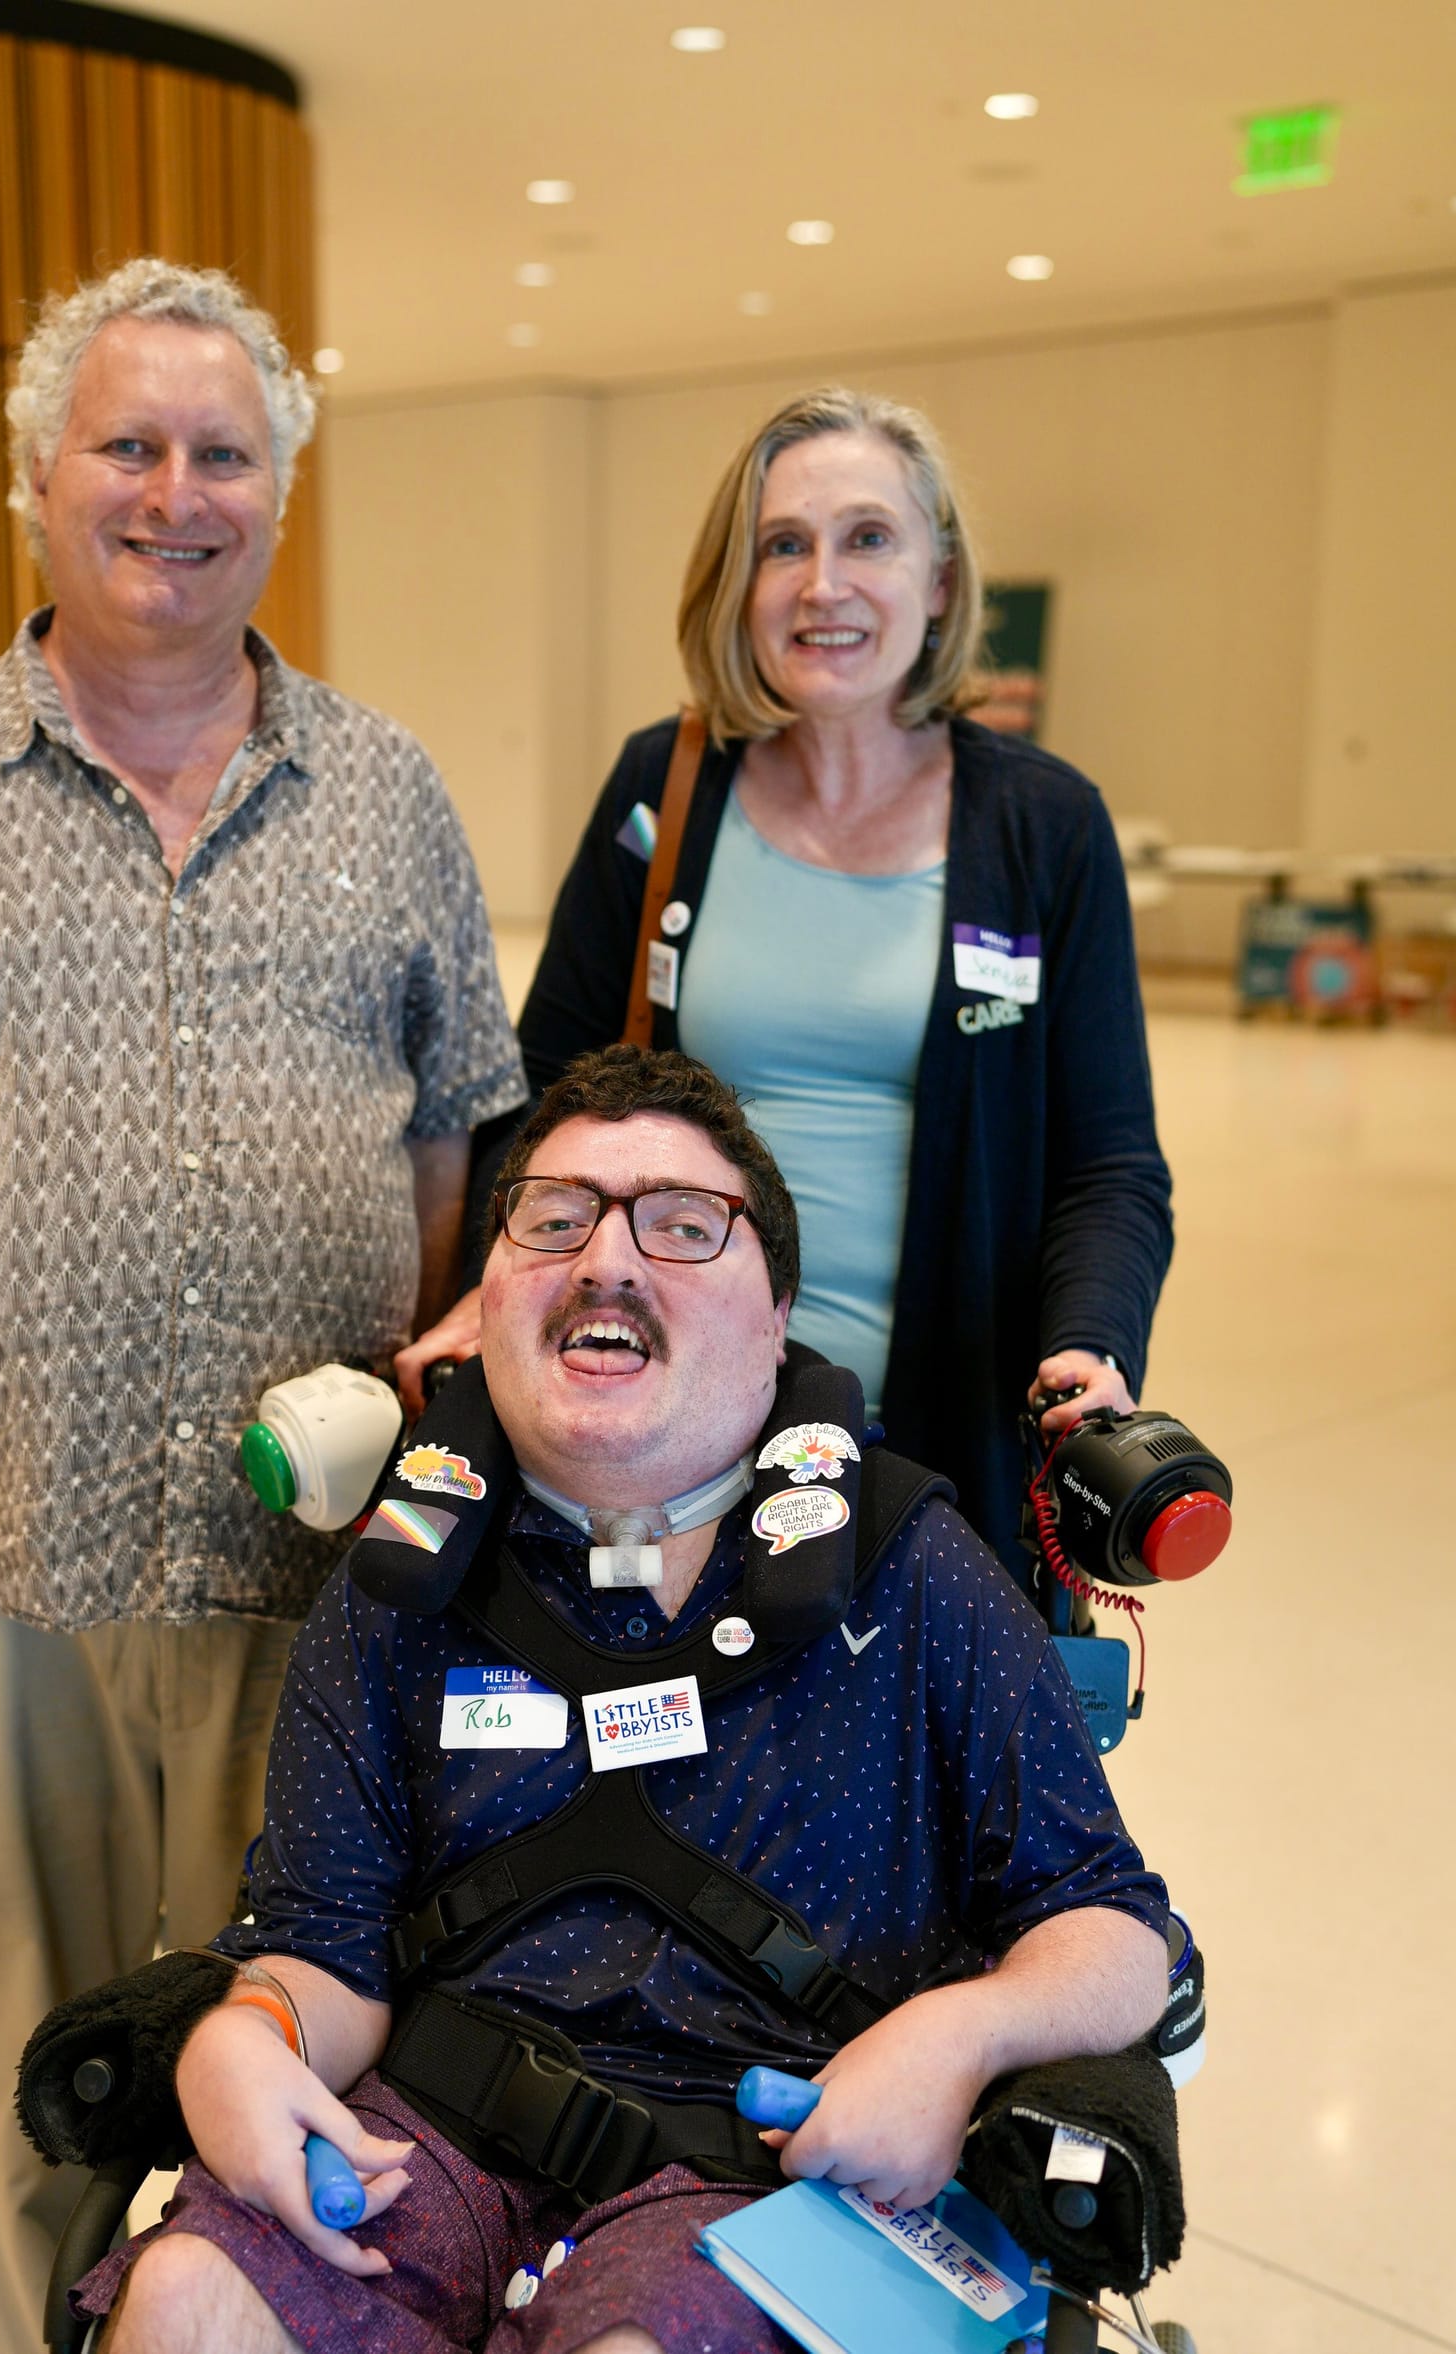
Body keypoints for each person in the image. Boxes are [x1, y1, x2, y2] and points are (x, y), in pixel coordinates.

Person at [0, 257, 525, 2354]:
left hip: (324, 1580)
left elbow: (460, 1151)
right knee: (51, 2074)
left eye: (222, 452)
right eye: (128, 444)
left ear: (277, 490)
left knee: (303, 2075)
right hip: (5, 1582)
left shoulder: (391, 796)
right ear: (37, 480)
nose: (176, 490)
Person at [87, 1046, 1169, 2354]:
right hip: (426, 2135)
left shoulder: (911, 1564)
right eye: (554, 1217)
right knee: (184, 2303)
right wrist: (245, 2038)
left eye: (683, 1223)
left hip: (763, 2164)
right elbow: (327, 1940)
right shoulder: (402, 1583)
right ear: (487, 1300)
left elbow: (1112, 1929)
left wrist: (958, 2035)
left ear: (776, 1315)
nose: (607, 1257)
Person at [400, 389, 1172, 1571]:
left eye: (868, 537)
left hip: (931, 1444)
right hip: (664, 1433)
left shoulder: (1042, 824)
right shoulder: (666, 788)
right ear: (737, 585)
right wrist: (481, 1292)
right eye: (782, 545)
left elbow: (1108, 1161)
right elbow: (546, 1087)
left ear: (940, 581)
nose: (823, 584)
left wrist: (1088, 1343)